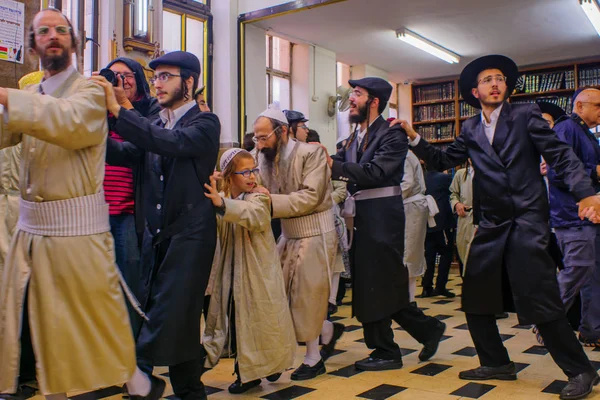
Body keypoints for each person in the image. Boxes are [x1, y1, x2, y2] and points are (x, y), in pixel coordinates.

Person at [394, 54, 600, 400]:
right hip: (490, 224)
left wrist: (586, 194)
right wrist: (415, 138)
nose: (495, 83)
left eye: (500, 78)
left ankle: (581, 370)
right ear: (475, 91)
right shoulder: (471, 127)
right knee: (475, 297)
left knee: (540, 302)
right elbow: (445, 160)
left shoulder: (526, 115)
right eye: (488, 79)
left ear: (507, 86)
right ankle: (496, 362)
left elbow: (561, 155)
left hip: (526, 222)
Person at [0, 8, 164, 400]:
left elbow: (70, 124)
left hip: (78, 232)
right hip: (31, 232)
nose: (52, 35)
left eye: (61, 29)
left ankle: (137, 382)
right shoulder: (31, 97)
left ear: (74, 42)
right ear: (34, 42)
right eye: (43, 31)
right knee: (43, 325)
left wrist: (8, 97)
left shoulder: (90, 92)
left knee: (92, 322)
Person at [91, 50, 220, 400]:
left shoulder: (205, 124)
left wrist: (123, 109)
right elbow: (126, 152)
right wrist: (83, 130)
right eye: (155, 77)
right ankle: (190, 391)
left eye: (166, 76)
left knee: (165, 314)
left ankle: (138, 378)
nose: (157, 84)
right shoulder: (157, 124)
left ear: (189, 83)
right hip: (157, 235)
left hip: (191, 237)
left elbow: (172, 144)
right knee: (179, 323)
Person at [321, 77, 445, 372]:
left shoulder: (392, 135)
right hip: (362, 215)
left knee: (375, 282)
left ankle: (386, 351)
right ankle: (427, 330)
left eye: (357, 94)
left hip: (382, 216)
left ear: (373, 101)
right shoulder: (354, 136)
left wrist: (333, 165)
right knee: (379, 283)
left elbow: (376, 173)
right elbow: (338, 162)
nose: (350, 98)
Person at [252, 106, 342, 380]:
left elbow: (310, 197)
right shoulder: (263, 156)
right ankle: (313, 337)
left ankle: (313, 358)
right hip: (288, 233)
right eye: (256, 138)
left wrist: (267, 202)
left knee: (307, 297)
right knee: (279, 295)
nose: (259, 143)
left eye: (264, 137)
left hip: (315, 232)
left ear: (282, 131)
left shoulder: (311, 153)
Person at [202, 148, 295, 394]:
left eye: (254, 170)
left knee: (262, 319)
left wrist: (221, 203)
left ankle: (261, 368)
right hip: (232, 272)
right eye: (245, 172)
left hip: (256, 271)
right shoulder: (222, 196)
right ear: (229, 175)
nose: (252, 176)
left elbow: (254, 216)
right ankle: (250, 372)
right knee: (240, 323)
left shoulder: (258, 198)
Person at [102, 57, 161, 335]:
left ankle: (133, 352)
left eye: (125, 76)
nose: (119, 81)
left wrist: (121, 105)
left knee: (130, 283)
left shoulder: (149, 112)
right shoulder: (97, 110)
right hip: (94, 212)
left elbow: (137, 148)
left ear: (138, 81)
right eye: (112, 76)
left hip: (128, 211)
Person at [547, 88, 600, 348]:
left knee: (592, 273)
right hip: (573, 215)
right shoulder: (567, 129)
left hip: (590, 215)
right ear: (579, 106)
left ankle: (592, 331)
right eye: (598, 105)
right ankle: (544, 322)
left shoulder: (585, 134)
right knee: (577, 270)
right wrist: (596, 171)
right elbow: (557, 173)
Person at [402, 150, 439, 302]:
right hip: (408, 206)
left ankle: (408, 301)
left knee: (409, 255)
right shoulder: (404, 154)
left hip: (411, 207)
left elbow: (407, 184)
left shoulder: (405, 156)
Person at [421, 165, 455, 298]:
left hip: (427, 221)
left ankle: (426, 287)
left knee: (429, 255)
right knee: (446, 254)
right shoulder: (445, 178)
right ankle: (440, 286)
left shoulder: (422, 178)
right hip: (443, 222)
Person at [450, 160, 476, 271]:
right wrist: (457, 204)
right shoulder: (461, 174)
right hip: (465, 216)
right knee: (464, 251)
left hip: (484, 218)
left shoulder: (488, 171)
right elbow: (453, 193)